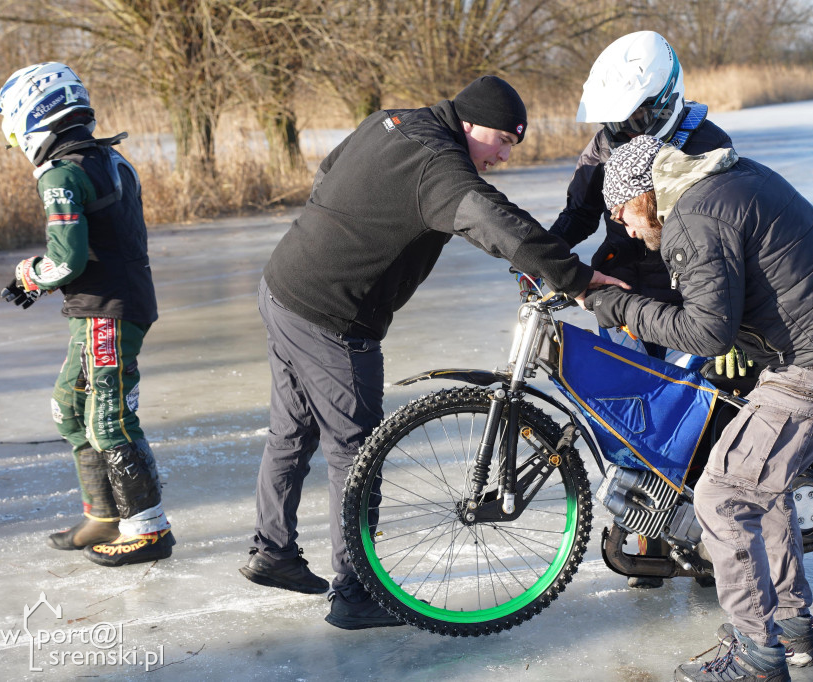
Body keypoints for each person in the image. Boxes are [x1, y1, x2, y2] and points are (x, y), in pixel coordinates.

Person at [242, 75, 624, 630]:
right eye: (501, 140)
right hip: (333, 316)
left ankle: (272, 550)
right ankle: (356, 593)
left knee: (292, 429)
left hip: (283, 284)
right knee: (357, 455)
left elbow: (329, 169)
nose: (503, 154)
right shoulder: (441, 168)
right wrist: (577, 278)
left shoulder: (391, 120)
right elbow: (496, 223)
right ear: (468, 124)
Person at [584, 136, 813, 682]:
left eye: (623, 210)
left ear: (647, 194)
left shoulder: (694, 217)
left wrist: (619, 304)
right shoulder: (723, 180)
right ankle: (790, 627)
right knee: (759, 487)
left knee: (723, 496)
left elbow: (704, 331)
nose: (622, 225)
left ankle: (756, 656)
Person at [552, 29, 735, 589]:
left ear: (661, 102)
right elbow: (579, 213)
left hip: (692, 301)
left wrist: (733, 332)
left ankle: (708, 545)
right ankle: (649, 538)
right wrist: (544, 258)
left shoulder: (707, 142)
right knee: (632, 413)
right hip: (621, 293)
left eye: (630, 120)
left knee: (699, 417)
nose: (619, 131)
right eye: (614, 122)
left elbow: (733, 242)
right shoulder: (605, 144)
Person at [0, 63, 174, 567]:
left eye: (9, 128)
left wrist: (30, 274)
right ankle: (103, 514)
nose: (11, 141)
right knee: (70, 408)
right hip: (107, 305)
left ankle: (149, 529)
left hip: (107, 312)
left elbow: (66, 258)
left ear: (31, 115)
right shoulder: (110, 159)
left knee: (109, 420)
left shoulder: (61, 174)